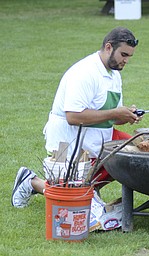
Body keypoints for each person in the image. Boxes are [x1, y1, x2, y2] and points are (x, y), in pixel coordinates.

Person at [12, 27, 141, 208]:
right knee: (71, 198)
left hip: (97, 137)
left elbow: (112, 117)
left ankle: (89, 191)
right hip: (68, 141)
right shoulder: (85, 72)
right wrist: (115, 113)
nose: (126, 60)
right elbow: (72, 116)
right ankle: (31, 181)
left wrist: (126, 115)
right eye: (124, 54)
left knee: (135, 153)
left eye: (129, 56)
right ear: (109, 47)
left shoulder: (114, 74)